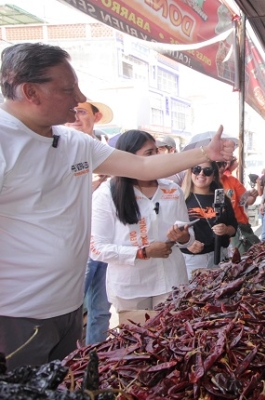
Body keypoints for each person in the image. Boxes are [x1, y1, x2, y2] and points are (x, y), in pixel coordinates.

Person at [0, 42, 234, 370]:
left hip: (67, 307)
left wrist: (203, 154)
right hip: (16, 315)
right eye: (68, 89)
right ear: (30, 92)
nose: (80, 98)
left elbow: (142, 167)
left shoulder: (75, 143)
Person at [90, 130, 192, 315]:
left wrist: (184, 237)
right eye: (149, 153)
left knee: (172, 340)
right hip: (131, 289)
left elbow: (189, 237)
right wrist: (142, 252)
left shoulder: (172, 190)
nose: (156, 158)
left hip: (171, 283)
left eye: (156, 151)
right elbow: (96, 248)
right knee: (136, 340)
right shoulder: (106, 195)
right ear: (129, 157)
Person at [65, 101, 115, 345]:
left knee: (101, 309)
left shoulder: (105, 151)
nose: (75, 117)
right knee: (69, 310)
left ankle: (96, 358)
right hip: (75, 246)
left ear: (95, 117)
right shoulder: (58, 147)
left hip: (106, 243)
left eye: (81, 112)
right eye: (72, 112)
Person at [180, 161, 237, 278]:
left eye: (207, 171)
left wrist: (225, 229)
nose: (201, 174)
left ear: (214, 175)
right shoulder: (181, 199)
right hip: (192, 260)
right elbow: (171, 230)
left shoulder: (222, 198)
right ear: (191, 172)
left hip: (220, 257)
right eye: (197, 169)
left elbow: (234, 227)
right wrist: (186, 243)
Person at [217, 160, 260, 254]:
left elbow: (244, 202)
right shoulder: (205, 185)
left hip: (239, 227)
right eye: (217, 164)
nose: (220, 168)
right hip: (217, 231)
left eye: (223, 164)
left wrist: (253, 195)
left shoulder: (232, 180)